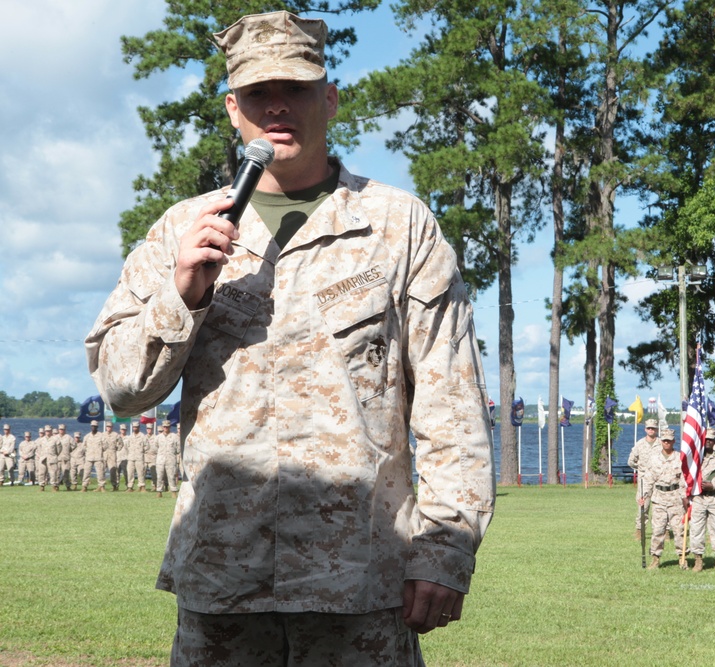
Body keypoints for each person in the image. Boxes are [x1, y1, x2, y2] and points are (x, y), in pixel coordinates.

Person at [85, 10, 494, 665]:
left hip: (358, 586)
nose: (277, 106)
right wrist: (181, 292)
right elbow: (119, 386)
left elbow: (450, 401)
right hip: (222, 585)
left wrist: (446, 546)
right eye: (257, 93)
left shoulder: (399, 226)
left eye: (296, 89)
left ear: (329, 99)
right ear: (232, 108)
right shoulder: (182, 231)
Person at [640, 428, 689, 570]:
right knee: (658, 531)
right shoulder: (654, 458)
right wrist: (643, 496)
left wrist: (685, 497)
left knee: (679, 530)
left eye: (669, 440)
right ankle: (655, 559)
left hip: (675, 499)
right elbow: (648, 479)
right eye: (664, 440)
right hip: (659, 498)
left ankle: (682, 558)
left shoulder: (680, 458)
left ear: (674, 441)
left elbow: (684, 479)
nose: (667, 443)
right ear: (661, 441)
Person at [687, 427, 715, 573]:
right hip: (698, 499)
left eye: (710, 440)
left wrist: (714, 485)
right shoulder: (694, 458)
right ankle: (698, 561)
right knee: (696, 530)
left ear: (714, 441)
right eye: (705, 440)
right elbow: (685, 475)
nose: (707, 442)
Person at [628, 418, 660, 539]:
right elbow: (631, 461)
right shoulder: (640, 443)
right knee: (643, 506)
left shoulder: (662, 443)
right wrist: (642, 469)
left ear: (656, 429)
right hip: (644, 480)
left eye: (653, 428)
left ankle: (664, 531)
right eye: (649, 428)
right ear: (645, 429)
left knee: (661, 507)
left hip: (658, 480)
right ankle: (639, 530)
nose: (651, 430)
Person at [155, 421, 179, 498]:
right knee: (159, 476)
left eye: (167, 427)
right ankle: (159, 492)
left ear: (170, 427)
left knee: (171, 476)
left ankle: (173, 492)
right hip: (160, 459)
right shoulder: (158, 437)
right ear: (162, 427)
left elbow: (178, 448)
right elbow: (155, 448)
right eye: (164, 427)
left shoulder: (174, 437)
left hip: (171, 459)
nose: (166, 428)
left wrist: (172, 453)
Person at [81, 420, 107, 493]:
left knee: (100, 473)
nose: (93, 428)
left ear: (97, 427)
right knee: (86, 472)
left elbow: (105, 446)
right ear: (90, 427)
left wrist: (99, 450)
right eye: (92, 426)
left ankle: (101, 486)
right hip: (89, 457)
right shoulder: (87, 436)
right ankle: (84, 487)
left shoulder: (101, 436)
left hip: (98, 457)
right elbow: (83, 446)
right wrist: (88, 451)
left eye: (95, 426)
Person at [124, 423, 149, 492]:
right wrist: (130, 453)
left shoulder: (142, 436)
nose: (135, 428)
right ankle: (130, 487)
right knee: (130, 473)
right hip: (131, 457)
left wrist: (141, 451)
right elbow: (126, 447)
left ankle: (142, 486)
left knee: (141, 472)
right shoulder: (130, 437)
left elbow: (147, 446)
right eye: (134, 427)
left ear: (139, 427)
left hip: (139, 457)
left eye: (136, 427)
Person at [102, 422, 123, 491]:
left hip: (112, 454)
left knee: (113, 470)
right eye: (107, 426)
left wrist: (117, 449)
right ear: (106, 427)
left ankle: (114, 485)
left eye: (110, 427)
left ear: (112, 427)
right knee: (102, 470)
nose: (109, 428)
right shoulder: (102, 435)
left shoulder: (115, 435)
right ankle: (101, 486)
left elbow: (121, 443)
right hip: (104, 454)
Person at [143, 423, 158, 492]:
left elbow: (158, 447)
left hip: (153, 457)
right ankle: (142, 487)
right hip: (144, 457)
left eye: (150, 429)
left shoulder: (155, 438)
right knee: (143, 472)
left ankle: (154, 486)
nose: (149, 430)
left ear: (152, 429)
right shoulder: (143, 437)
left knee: (154, 473)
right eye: (148, 429)